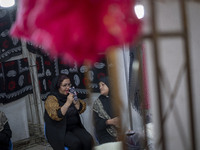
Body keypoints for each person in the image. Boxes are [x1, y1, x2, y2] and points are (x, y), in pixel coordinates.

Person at [44, 74, 93, 150]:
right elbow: (57, 115)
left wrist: (75, 102)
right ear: (58, 87)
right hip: (59, 130)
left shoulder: (70, 94)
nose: (68, 87)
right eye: (64, 85)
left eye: (69, 84)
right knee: (75, 143)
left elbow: (81, 109)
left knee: (88, 139)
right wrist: (67, 103)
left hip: (73, 127)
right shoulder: (51, 99)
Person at [93, 76, 119, 145]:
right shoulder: (97, 103)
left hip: (118, 131)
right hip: (104, 133)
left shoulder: (116, 100)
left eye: (103, 85)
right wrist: (108, 122)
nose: (100, 87)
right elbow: (96, 124)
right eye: (99, 85)